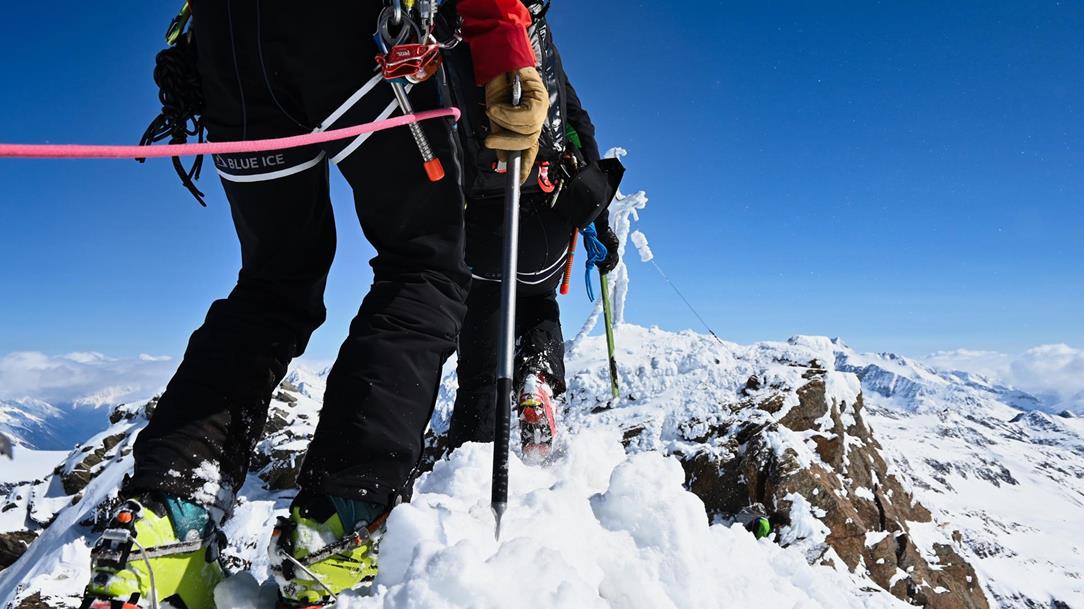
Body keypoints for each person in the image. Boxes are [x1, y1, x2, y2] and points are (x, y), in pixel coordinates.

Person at [81, 2, 549, 608]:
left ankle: (166, 523)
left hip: (227, 45)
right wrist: (504, 49)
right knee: (424, 261)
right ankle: (335, 522)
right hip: (357, 36)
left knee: (274, 282)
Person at [440, 0, 622, 457]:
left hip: (483, 219)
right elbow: (581, 129)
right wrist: (599, 220)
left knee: (482, 328)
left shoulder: (448, 28)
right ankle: (536, 374)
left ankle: (472, 456)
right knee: (538, 301)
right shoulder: (540, 39)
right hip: (549, 217)